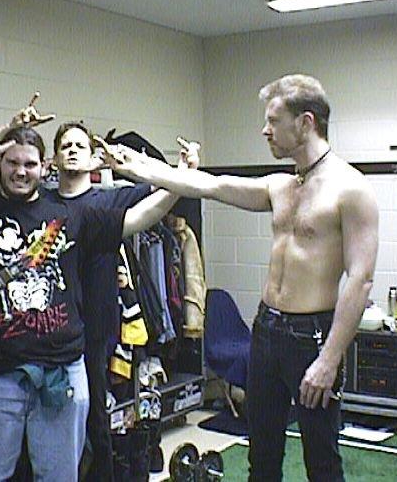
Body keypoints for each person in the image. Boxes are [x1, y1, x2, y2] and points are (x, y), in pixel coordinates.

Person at [99, 74, 379, 482]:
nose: (265, 130)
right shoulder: (280, 186)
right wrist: (138, 165)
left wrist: (329, 359)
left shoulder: (351, 190)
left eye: (273, 120)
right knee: (261, 456)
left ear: (305, 123)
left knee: (322, 462)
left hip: (313, 338)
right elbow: (210, 185)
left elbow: (360, 280)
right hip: (266, 330)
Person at [0, 116, 188, 481]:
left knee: (58, 475)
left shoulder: (73, 214)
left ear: (44, 168)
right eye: (12, 163)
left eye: (29, 164)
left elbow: (139, 217)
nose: (20, 171)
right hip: (1, 373)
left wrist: (181, 180)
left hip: (64, 371)